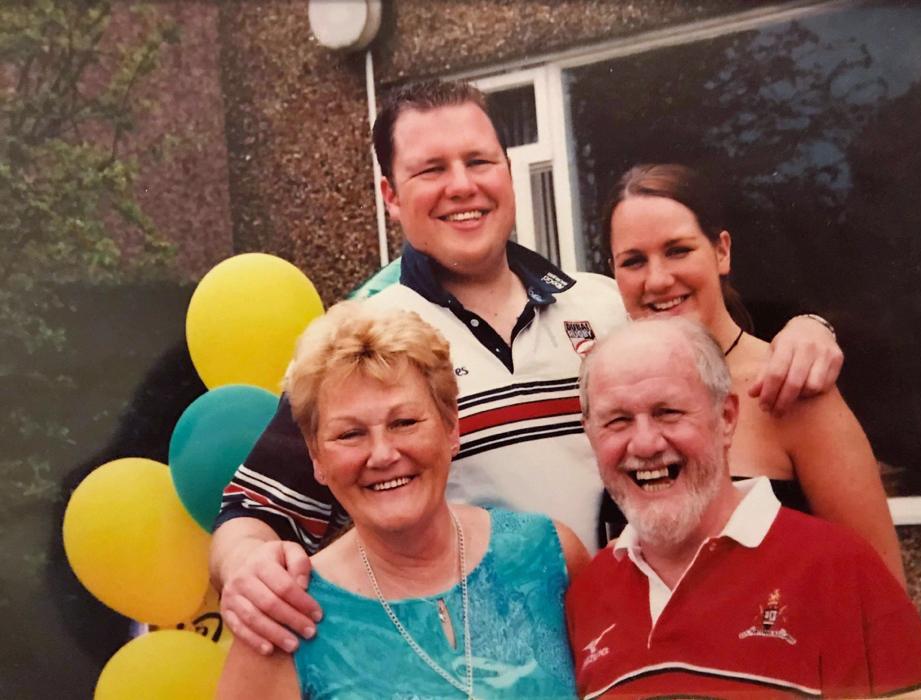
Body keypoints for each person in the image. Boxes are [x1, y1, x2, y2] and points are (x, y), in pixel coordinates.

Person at [210, 79, 843, 655]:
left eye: (479, 161)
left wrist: (809, 331)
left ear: (508, 173)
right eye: (431, 169)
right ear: (390, 197)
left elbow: (727, 360)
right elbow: (254, 512)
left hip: (648, 653)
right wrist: (247, 570)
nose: (462, 185)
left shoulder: (606, 304)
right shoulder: (365, 340)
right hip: (483, 670)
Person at [217, 302, 586, 699]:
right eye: (349, 434)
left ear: (450, 427)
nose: (382, 454)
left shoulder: (549, 556)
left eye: (404, 423)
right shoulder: (287, 616)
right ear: (316, 458)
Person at [567, 317, 921, 698]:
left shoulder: (841, 569)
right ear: (590, 434)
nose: (644, 444)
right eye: (617, 420)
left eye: (668, 412)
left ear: (726, 418)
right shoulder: (587, 595)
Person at [603, 163, 905, 586]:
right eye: (634, 261)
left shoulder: (788, 385)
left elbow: (881, 591)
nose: (657, 279)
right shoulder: (611, 395)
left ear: (721, 251)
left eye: (678, 250)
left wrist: (815, 325)